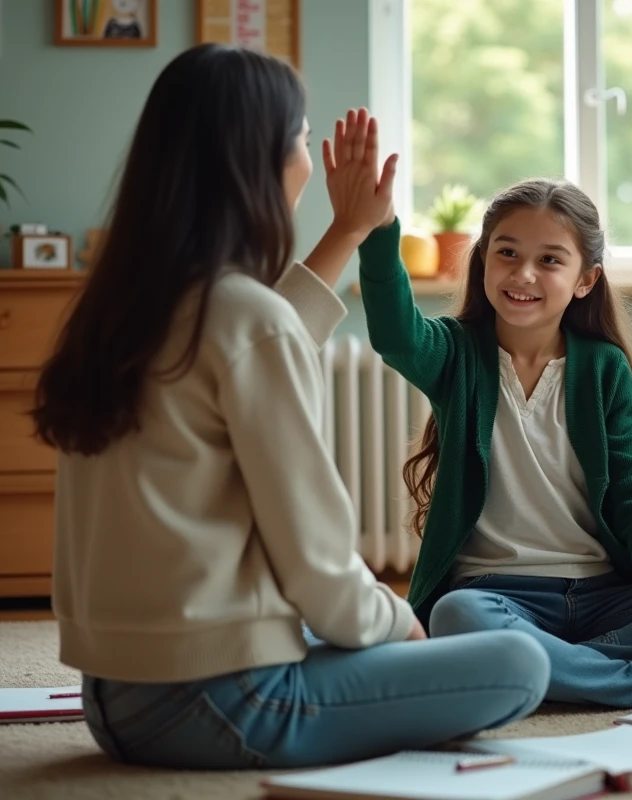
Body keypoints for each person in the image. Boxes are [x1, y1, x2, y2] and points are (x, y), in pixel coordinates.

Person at [30, 45, 549, 771]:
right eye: (302, 142)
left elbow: (251, 342)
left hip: (113, 699)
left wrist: (349, 230)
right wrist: (401, 631)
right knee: (517, 665)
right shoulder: (241, 319)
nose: (308, 160)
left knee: (379, 644)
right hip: (221, 703)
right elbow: (319, 572)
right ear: (260, 162)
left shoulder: (126, 308)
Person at [357, 164, 632, 710]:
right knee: (457, 617)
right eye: (507, 253)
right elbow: (394, 332)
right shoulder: (453, 354)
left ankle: (546, 666)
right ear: (483, 264)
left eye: (549, 259)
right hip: (495, 596)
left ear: (585, 279)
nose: (523, 274)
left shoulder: (602, 368)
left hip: (606, 598)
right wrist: (379, 229)